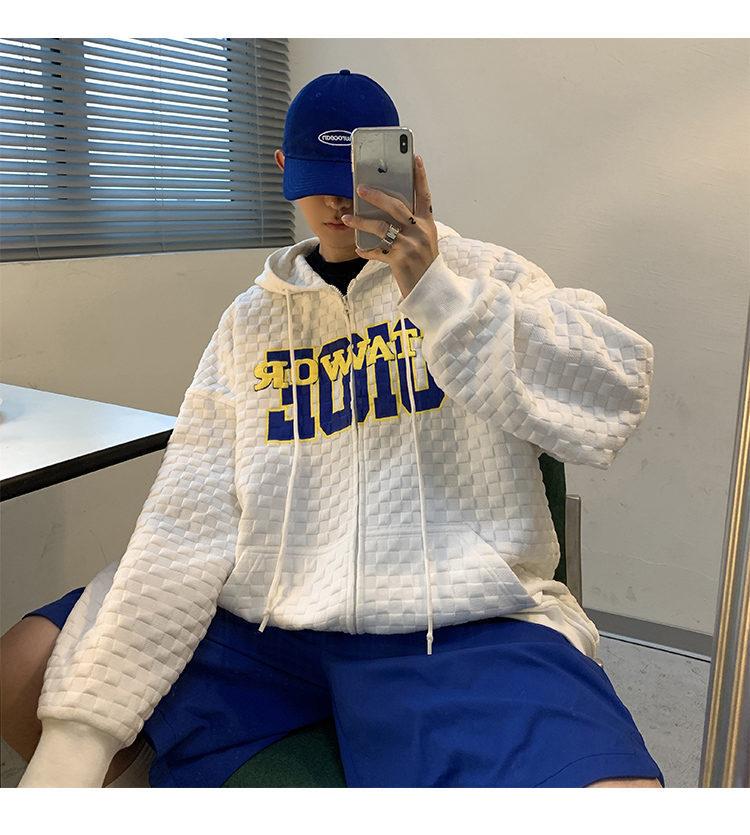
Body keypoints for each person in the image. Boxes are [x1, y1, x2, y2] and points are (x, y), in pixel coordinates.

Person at [2, 69, 664, 789]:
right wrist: (90, 720)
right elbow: (191, 502)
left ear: (406, 167)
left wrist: (440, 294)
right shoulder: (250, 319)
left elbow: (613, 390)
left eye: (358, 180)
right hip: (268, 619)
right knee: (22, 664)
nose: (341, 205)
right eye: (319, 182)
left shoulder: (483, 272)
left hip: (447, 619)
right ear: (283, 168)